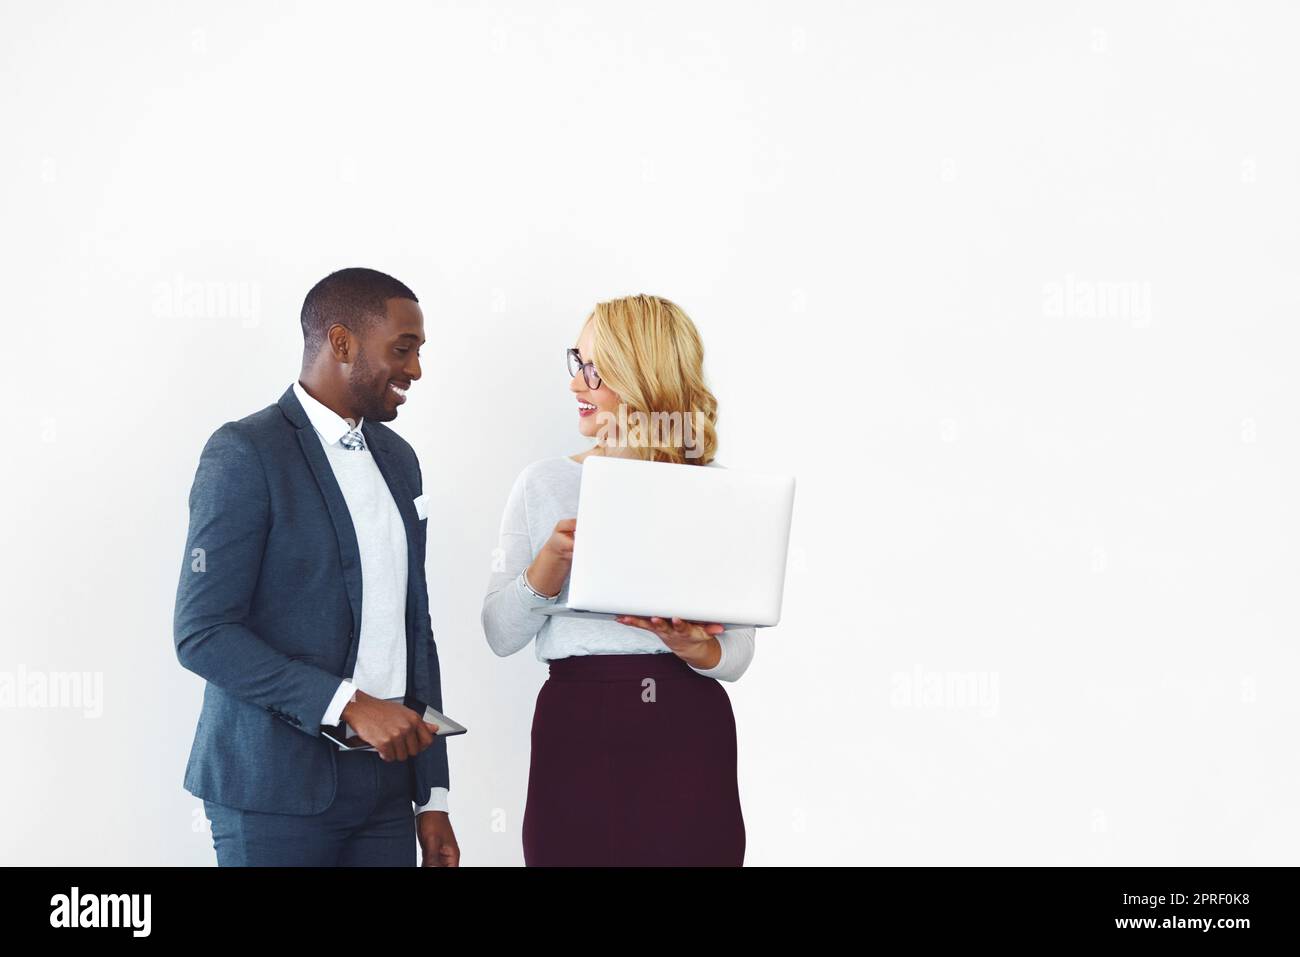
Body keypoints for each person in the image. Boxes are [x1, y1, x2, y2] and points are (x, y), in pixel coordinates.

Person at [174, 267, 459, 866]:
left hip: (386, 792)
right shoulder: (245, 452)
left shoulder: (399, 461)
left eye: (418, 352)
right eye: (402, 350)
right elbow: (204, 634)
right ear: (341, 343)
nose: (415, 370)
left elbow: (417, 629)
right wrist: (349, 703)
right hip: (272, 792)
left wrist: (433, 798)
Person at [483, 293, 754, 866]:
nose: (577, 383)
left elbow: (738, 655)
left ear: (643, 374)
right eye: (576, 362)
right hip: (574, 723)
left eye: (596, 369)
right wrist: (547, 568)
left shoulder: (717, 493)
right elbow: (499, 634)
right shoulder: (543, 483)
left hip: (685, 723)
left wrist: (697, 646)